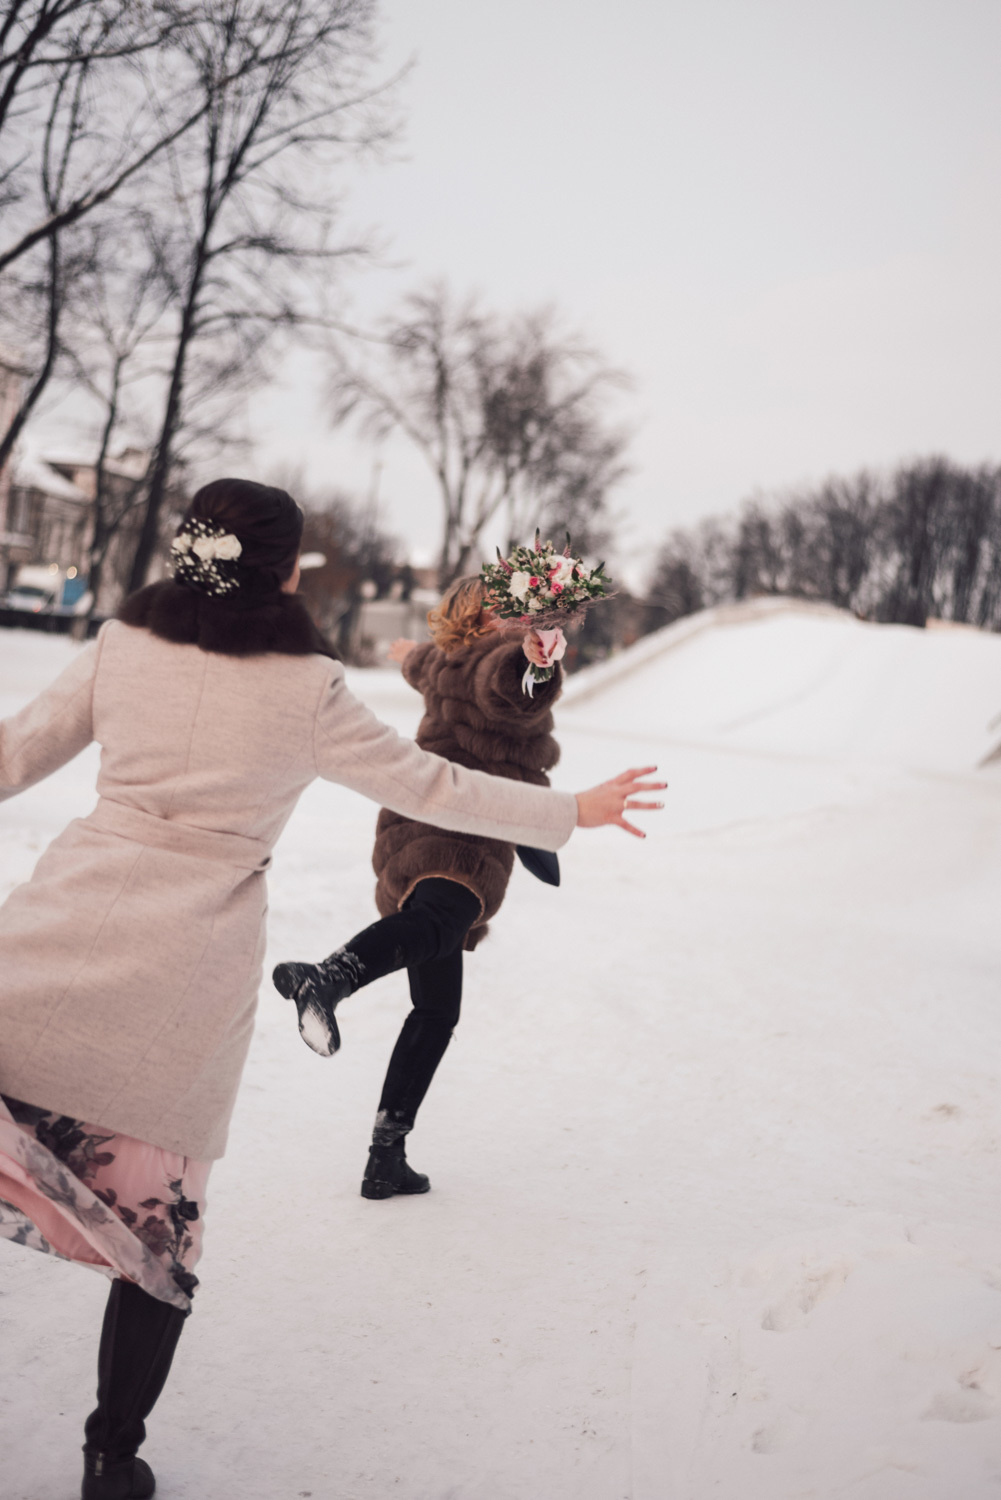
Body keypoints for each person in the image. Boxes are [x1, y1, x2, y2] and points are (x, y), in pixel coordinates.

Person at [0, 478, 665, 1500]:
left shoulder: (119, 647)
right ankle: (109, 1457)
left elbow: (10, 755)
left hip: (50, 940)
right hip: (180, 981)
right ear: (281, 570)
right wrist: (568, 809)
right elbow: (428, 785)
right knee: (153, 1240)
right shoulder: (304, 685)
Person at [272, 576, 627, 1200]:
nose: (515, 611)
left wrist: (402, 649)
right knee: (439, 925)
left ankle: (387, 1155)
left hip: (419, 824)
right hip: (463, 831)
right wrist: (536, 658)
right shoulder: (498, 658)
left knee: (438, 1009)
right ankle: (328, 977)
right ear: (477, 617)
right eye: (500, 605)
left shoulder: (443, 660)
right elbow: (511, 685)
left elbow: (419, 661)